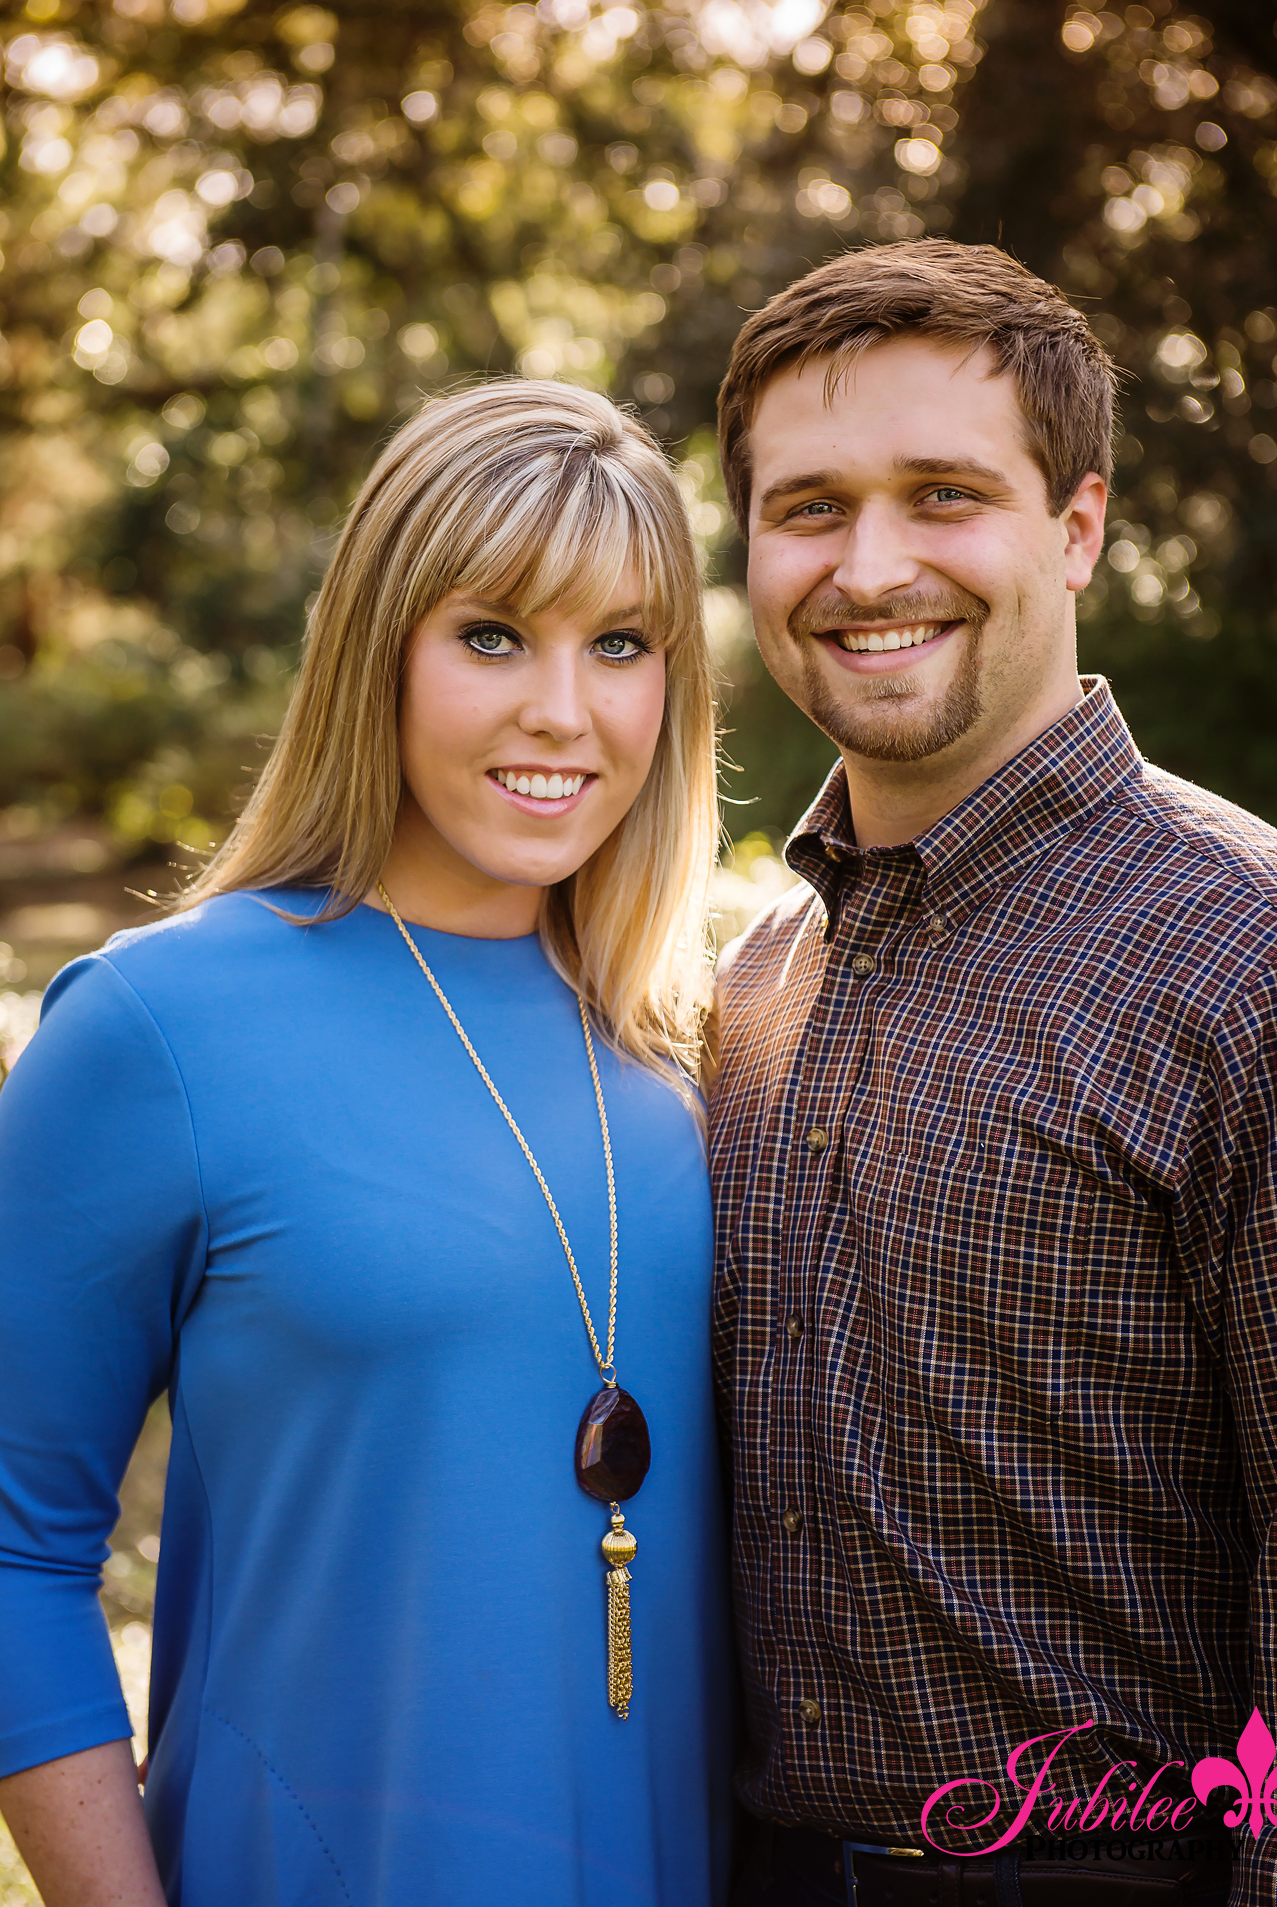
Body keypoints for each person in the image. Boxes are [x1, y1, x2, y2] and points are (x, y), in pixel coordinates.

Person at [0, 380, 732, 1907]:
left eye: (620, 645)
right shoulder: (162, 1025)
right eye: (490, 636)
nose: (563, 710)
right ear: (375, 651)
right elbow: (13, 1549)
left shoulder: (696, 1046)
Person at [708, 240, 1277, 1907]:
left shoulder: (1272, 961)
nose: (870, 566)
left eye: (944, 495)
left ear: (1075, 527)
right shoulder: (757, 977)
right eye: (809, 507)